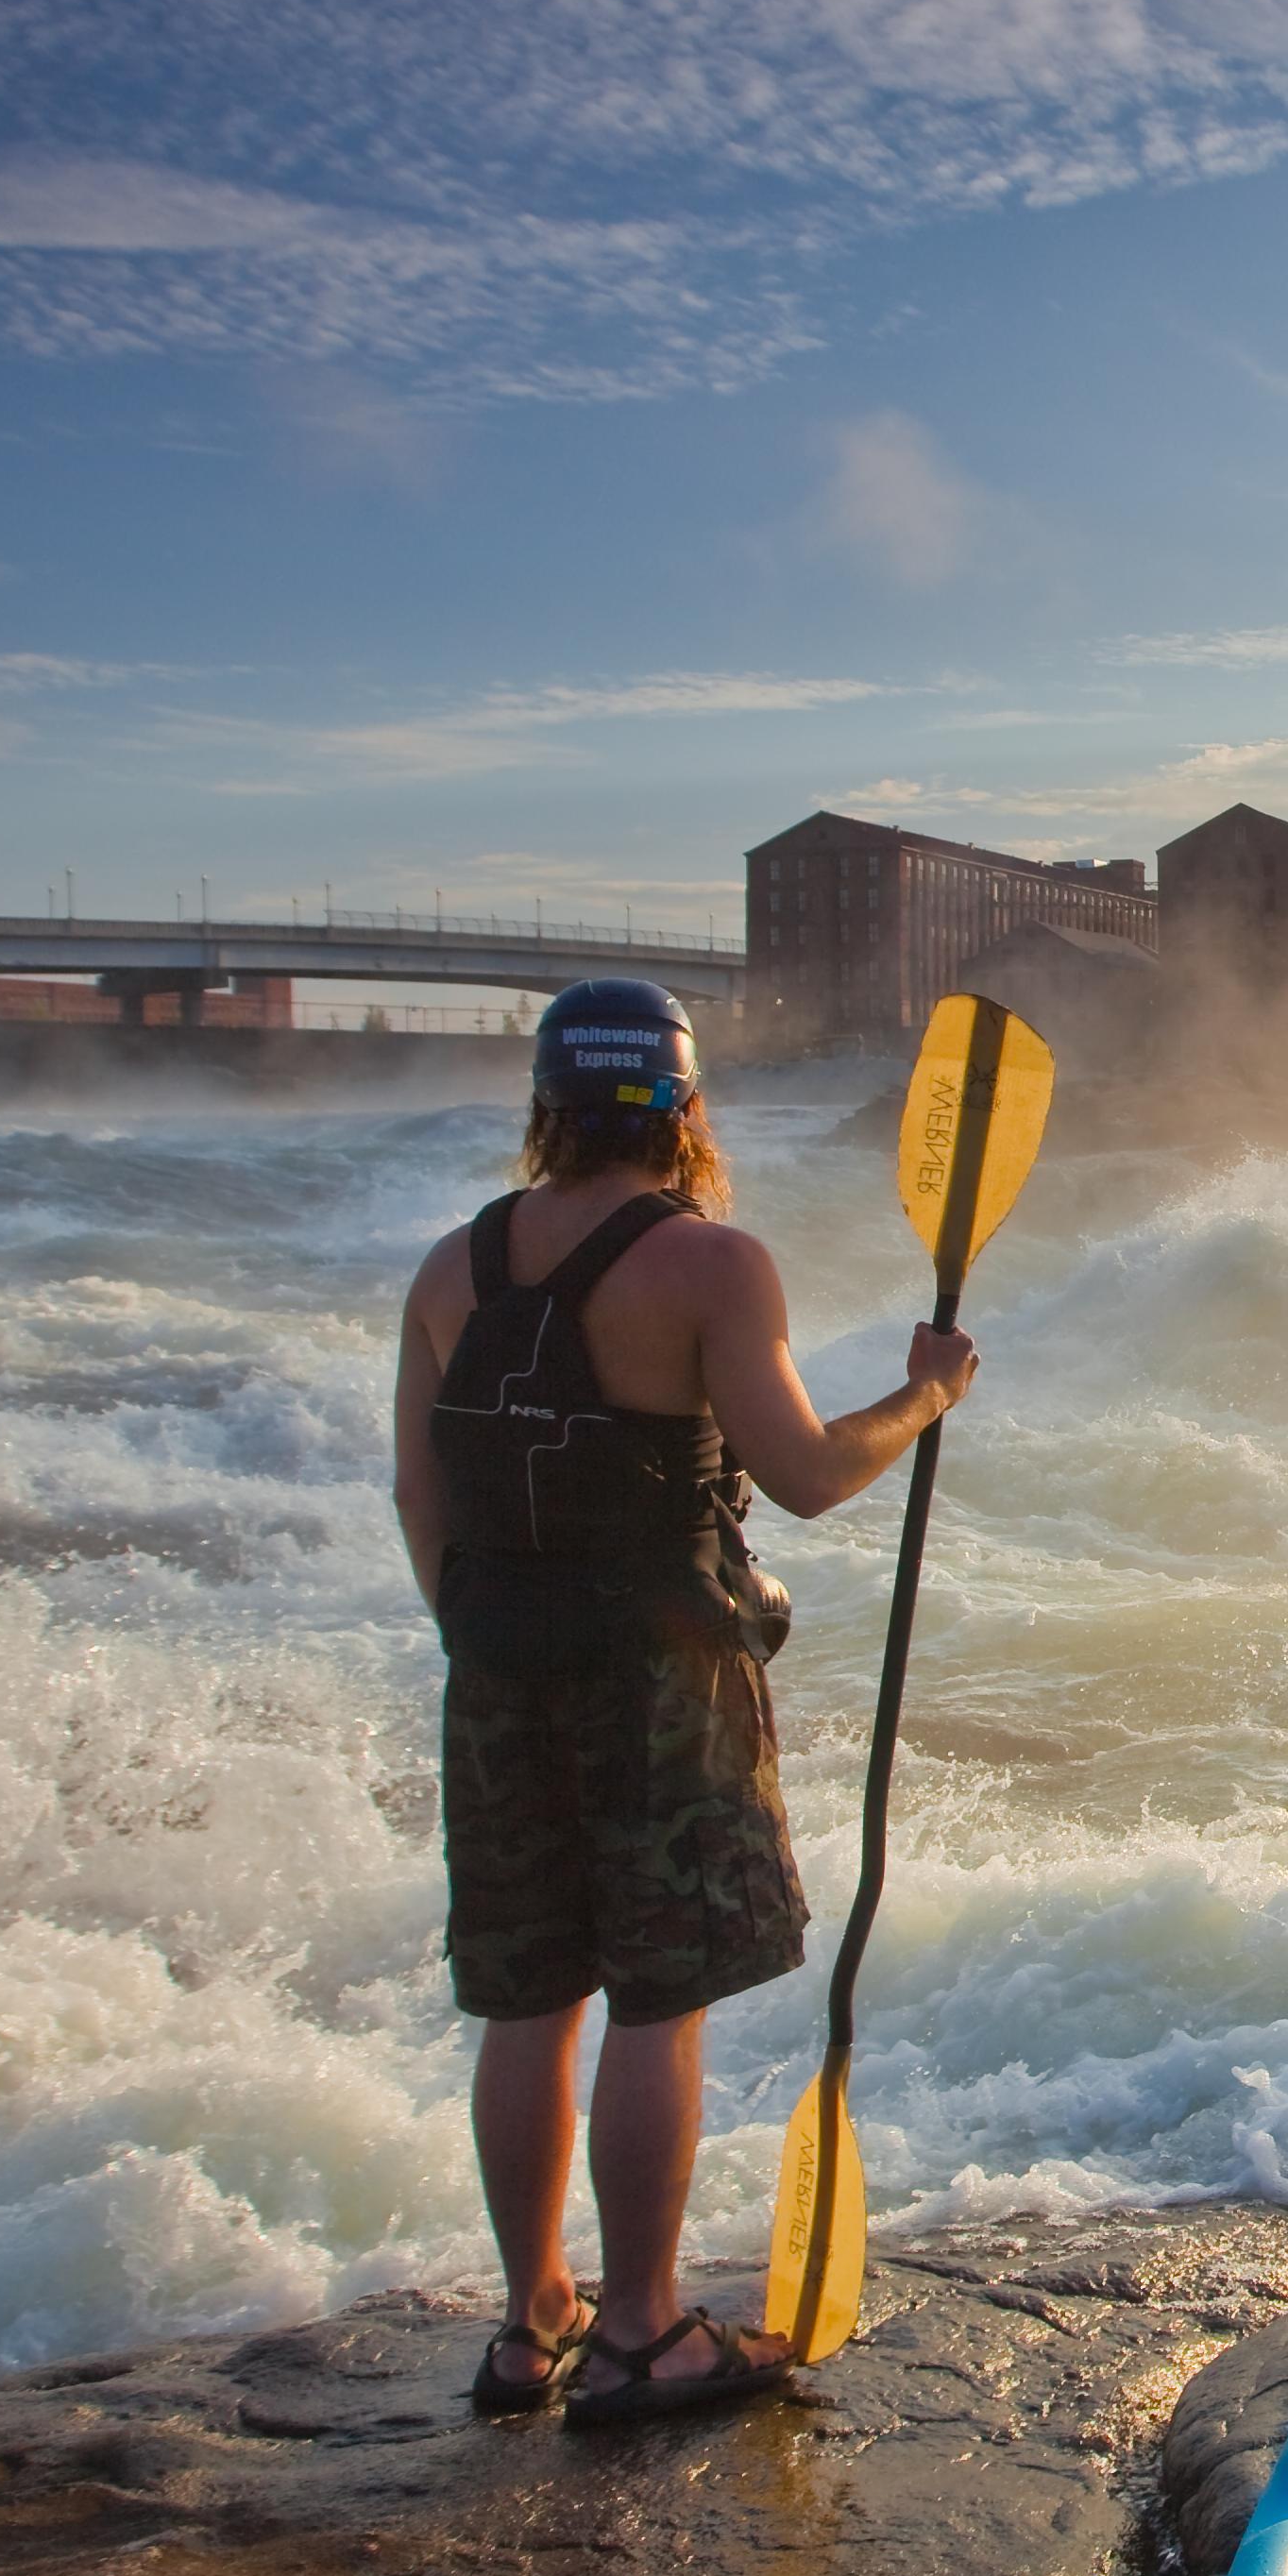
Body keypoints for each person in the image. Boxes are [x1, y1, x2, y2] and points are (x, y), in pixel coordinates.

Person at [392, 978, 974, 2422]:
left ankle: (531, 2326)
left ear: (551, 1106)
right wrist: (927, 1397)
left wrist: (484, 1637)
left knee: (528, 1999)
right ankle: (645, 2328)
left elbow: (423, 1492)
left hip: (495, 1668)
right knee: (662, 1996)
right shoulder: (711, 1264)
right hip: (661, 1677)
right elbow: (807, 1474)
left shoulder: (447, 1270)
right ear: (683, 1108)